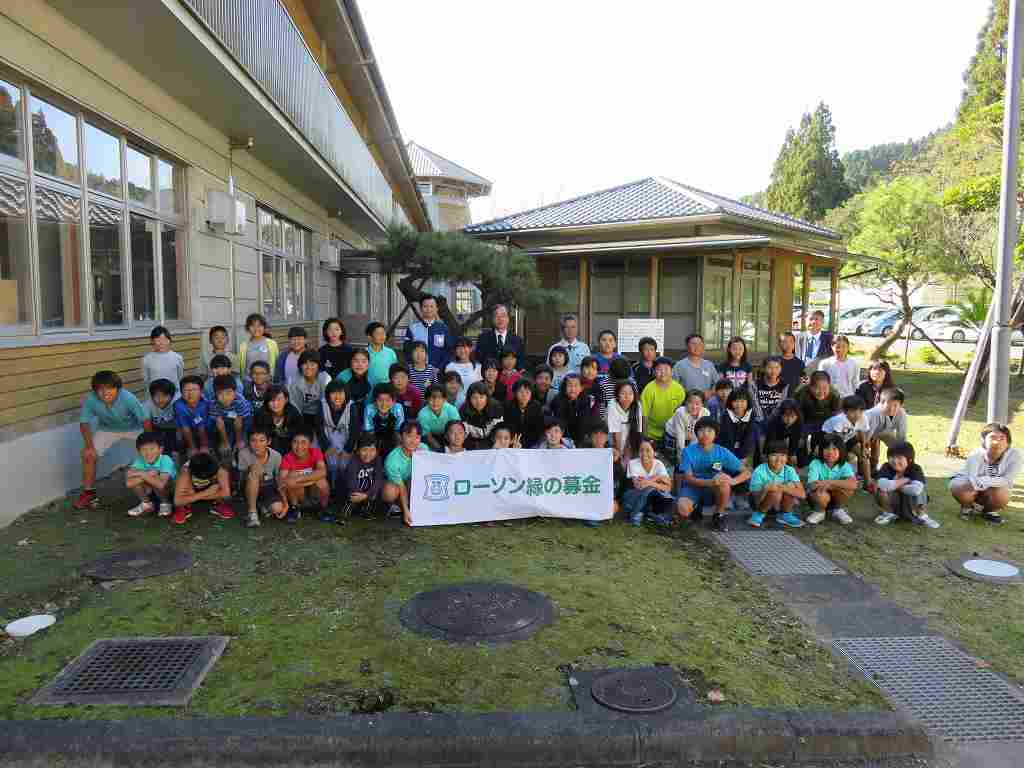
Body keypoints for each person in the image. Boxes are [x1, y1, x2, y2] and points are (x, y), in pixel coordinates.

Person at [676, 417, 751, 532]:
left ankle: (718, 515)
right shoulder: (688, 451)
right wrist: (709, 482)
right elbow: (688, 477)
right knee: (682, 509)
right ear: (696, 433)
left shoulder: (722, 452)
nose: (705, 434)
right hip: (693, 487)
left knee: (724, 482)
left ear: (715, 435)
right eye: (701, 431)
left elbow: (746, 472)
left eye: (709, 431)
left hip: (714, 489)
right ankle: (695, 507)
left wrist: (732, 481)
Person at [949, 422, 1022, 524]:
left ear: (1008, 442)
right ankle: (967, 508)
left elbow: (1007, 479)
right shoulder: (975, 454)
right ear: (983, 441)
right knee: (961, 486)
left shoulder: (1016, 455)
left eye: (1002, 438)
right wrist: (988, 483)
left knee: (1002, 492)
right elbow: (973, 480)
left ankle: (990, 511)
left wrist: (986, 481)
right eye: (993, 437)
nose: (997, 442)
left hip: (991, 486)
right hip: (970, 484)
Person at [875, 442, 939, 528]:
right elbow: (883, 485)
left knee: (921, 490)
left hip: (910, 501)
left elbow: (915, 490)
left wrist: (894, 485)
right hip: (893, 500)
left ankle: (922, 515)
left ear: (909, 460)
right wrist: (906, 480)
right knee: (881, 490)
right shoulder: (886, 467)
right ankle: (888, 513)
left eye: (899, 458)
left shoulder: (915, 468)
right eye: (891, 457)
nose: (894, 461)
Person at [748, 440, 805, 528]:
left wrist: (782, 487)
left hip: (780, 505)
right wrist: (766, 489)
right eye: (774, 455)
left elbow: (802, 494)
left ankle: (785, 514)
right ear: (767, 457)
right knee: (774, 490)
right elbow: (755, 498)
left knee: (790, 486)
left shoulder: (789, 470)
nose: (779, 459)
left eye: (782, 455)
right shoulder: (759, 470)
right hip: (760, 503)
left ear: (787, 458)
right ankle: (759, 514)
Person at [237, 426, 286, 528]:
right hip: (248, 485)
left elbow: (279, 480)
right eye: (253, 441)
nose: (257, 445)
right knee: (255, 469)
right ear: (249, 442)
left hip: (268, 486)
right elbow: (241, 478)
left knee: (277, 508)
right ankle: (252, 514)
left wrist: (285, 503)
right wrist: (253, 468)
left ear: (268, 441)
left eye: (262, 440)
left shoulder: (276, 456)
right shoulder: (243, 453)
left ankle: (261, 505)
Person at [622, 437, 677, 526]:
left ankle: (647, 514)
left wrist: (650, 481)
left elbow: (668, 488)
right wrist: (658, 479)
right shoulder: (633, 463)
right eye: (641, 450)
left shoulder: (659, 464)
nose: (644, 454)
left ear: (654, 453)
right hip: (632, 497)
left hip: (650, 497)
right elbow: (638, 486)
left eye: (648, 450)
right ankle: (636, 514)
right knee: (649, 490)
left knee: (659, 494)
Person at [279, 429, 331, 523]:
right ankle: (295, 509)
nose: (299, 446)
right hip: (299, 497)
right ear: (291, 443)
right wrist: (285, 503)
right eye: (295, 442)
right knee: (291, 476)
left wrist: (299, 479)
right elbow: (283, 482)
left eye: (303, 442)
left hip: (313, 494)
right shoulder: (287, 457)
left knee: (322, 481)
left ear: (310, 444)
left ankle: (323, 509)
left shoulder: (315, 452)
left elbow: (322, 472)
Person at [805, 433, 857, 525]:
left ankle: (838, 510)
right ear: (821, 450)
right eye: (826, 448)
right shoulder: (815, 463)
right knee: (820, 493)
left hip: (836, 496)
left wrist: (829, 483)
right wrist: (837, 484)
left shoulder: (844, 465)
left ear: (841, 451)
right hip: (818, 497)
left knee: (848, 489)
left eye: (834, 449)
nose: (830, 452)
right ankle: (819, 512)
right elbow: (811, 485)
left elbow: (853, 484)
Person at [382, 421, 428, 525]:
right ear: (401, 436)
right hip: (398, 485)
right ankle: (394, 505)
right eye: (409, 436)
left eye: (417, 437)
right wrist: (406, 511)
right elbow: (401, 487)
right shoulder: (392, 459)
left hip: (411, 482)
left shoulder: (424, 449)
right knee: (390, 492)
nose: (413, 441)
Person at [823, 395, 872, 489]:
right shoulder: (839, 421)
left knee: (864, 456)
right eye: (853, 411)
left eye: (860, 411)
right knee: (842, 458)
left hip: (848, 437)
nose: (857, 415)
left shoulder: (863, 417)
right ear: (845, 412)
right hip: (830, 438)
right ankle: (839, 482)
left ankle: (868, 483)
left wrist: (863, 448)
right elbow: (836, 440)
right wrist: (843, 454)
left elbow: (861, 432)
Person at [172, 451, 232, 525]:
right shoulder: (186, 471)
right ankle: (184, 507)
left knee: (219, 485)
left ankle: (217, 504)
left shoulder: (220, 469)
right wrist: (205, 493)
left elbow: (226, 493)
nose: (214, 476)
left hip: (207, 491)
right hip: (195, 490)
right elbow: (177, 501)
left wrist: (193, 497)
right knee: (188, 490)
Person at [125, 431, 176, 518]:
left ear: (160, 449)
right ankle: (146, 504)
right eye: (144, 449)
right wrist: (146, 474)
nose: (148, 453)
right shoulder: (139, 460)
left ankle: (165, 503)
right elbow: (129, 483)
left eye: (152, 449)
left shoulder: (165, 459)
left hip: (170, 491)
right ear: (139, 451)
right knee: (142, 479)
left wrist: (142, 474)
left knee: (155, 478)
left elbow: (161, 485)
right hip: (152, 489)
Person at [640, 356, 685, 452]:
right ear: (654, 372)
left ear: (672, 371)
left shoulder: (679, 389)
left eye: (666, 369)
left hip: (673, 432)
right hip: (652, 433)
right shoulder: (649, 389)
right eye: (659, 369)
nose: (663, 372)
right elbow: (644, 415)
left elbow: (682, 413)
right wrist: (644, 437)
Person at [796, 370, 841, 464]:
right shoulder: (801, 393)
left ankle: (819, 457)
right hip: (806, 419)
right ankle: (801, 459)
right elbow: (797, 411)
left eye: (825, 388)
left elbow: (836, 414)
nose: (821, 391)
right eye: (817, 388)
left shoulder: (835, 394)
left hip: (826, 419)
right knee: (800, 437)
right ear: (810, 387)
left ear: (829, 386)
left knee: (823, 439)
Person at [317, 380, 353, 493]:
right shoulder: (322, 404)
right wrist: (326, 447)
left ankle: (341, 490)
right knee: (331, 463)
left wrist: (347, 449)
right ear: (328, 395)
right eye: (334, 393)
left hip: (345, 436)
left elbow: (355, 431)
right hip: (326, 435)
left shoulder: (352, 406)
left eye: (341, 393)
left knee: (343, 464)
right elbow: (318, 428)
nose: (337, 397)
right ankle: (329, 488)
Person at [209, 374, 253, 463]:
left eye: (228, 393)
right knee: (224, 448)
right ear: (215, 393)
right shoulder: (213, 402)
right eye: (220, 393)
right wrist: (225, 442)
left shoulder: (240, 401)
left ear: (235, 392)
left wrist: (239, 440)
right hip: (226, 420)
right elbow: (219, 423)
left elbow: (238, 422)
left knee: (241, 445)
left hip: (243, 419)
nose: (225, 397)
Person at [864, 387, 909, 473]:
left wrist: (903, 452)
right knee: (863, 452)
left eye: (895, 405)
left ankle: (899, 469)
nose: (892, 408)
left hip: (884, 432)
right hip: (863, 434)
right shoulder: (873, 414)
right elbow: (865, 437)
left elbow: (902, 436)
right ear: (882, 402)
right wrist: (866, 446)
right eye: (888, 405)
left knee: (900, 447)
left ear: (901, 405)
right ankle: (863, 472)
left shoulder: (901, 413)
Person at [339, 434, 384, 518]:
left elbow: (378, 480)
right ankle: (344, 514)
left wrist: (366, 495)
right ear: (358, 450)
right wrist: (359, 495)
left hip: (368, 492)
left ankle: (366, 511)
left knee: (375, 493)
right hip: (355, 490)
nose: (368, 454)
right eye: (364, 450)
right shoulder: (353, 461)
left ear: (377, 451)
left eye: (372, 450)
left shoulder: (378, 460)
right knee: (352, 496)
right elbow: (351, 483)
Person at [404, 294, 452, 370]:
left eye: (431, 306)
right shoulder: (412, 328)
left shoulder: (443, 328)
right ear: (420, 308)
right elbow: (407, 351)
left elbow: (448, 351)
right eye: (425, 306)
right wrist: (414, 368)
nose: (428, 309)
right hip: (417, 372)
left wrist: (440, 367)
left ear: (436, 309)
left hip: (438, 372)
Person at [254, 385, 304, 457]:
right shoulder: (260, 414)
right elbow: (258, 435)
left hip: (290, 449)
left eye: (279, 399)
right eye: (272, 400)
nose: (275, 404)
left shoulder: (293, 413)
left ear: (286, 399)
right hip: (267, 449)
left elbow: (299, 434)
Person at [551, 373, 599, 446]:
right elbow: (560, 422)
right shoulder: (558, 400)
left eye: (576, 385)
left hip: (580, 437)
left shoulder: (586, 400)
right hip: (562, 438)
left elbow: (584, 422)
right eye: (569, 385)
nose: (573, 389)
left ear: (581, 388)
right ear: (564, 388)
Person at [665, 389, 710, 467]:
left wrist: (692, 455)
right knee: (674, 459)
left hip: (690, 434)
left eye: (697, 404)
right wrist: (681, 459)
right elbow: (680, 436)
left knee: (692, 455)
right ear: (685, 403)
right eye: (690, 403)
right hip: (674, 433)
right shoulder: (680, 413)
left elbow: (699, 434)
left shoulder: (706, 413)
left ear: (702, 404)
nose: (693, 407)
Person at [288, 350, 331, 430]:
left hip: (321, 414)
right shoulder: (294, 380)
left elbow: (327, 403)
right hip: (302, 414)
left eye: (312, 364)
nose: (308, 367)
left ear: (318, 366)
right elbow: (295, 405)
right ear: (300, 365)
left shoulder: (325, 379)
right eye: (305, 363)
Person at [716, 388, 758, 471]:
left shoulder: (752, 416)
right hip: (725, 449)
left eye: (742, 401)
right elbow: (726, 439)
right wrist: (731, 459)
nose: (739, 405)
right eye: (736, 401)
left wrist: (743, 456)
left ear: (747, 402)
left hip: (744, 450)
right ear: (731, 402)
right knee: (718, 469)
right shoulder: (726, 416)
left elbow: (749, 438)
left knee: (745, 470)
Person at [363, 383, 405, 458]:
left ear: (394, 401)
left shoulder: (398, 408)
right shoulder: (369, 409)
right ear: (375, 401)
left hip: (392, 436)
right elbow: (369, 433)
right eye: (380, 400)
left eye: (388, 400)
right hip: (375, 436)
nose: (384, 404)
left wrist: (398, 453)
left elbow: (399, 432)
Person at [173, 375, 212, 457]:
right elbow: (185, 427)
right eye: (186, 390)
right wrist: (192, 447)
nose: (190, 393)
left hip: (204, 429)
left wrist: (204, 446)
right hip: (186, 430)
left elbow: (202, 426)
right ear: (181, 392)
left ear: (201, 391)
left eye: (194, 389)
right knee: (180, 440)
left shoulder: (205, 403)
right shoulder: (178, 405)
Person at [672, 334, 718, 401]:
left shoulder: (709, 365)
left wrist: (710, 392)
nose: (697, 346)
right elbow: (673, 385)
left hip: (705, 405)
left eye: (699, 344)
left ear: (703, 346)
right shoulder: (679, 365)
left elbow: (717, 384)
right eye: (693, 344)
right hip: (687, 404)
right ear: (687, 346)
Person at [460, 381, 503, 449]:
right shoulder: (463, 410)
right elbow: (464, 434)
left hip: (493, 444)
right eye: (474, 397)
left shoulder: (496, 408)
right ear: (469, 399)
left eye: (481, 397)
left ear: (487, 397)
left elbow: (499, 430)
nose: (478, 401)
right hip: (472, 445)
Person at [608, 379, 642, 464]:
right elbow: (616, 433)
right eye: (623, 393)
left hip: (629, 440)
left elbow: (635, 431)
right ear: (617, 395)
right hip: (612, 441)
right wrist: (619, 454)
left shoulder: (637, 405)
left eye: (630, 393)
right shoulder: (612, 404)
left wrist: (627, 454)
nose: (627, 396)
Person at [503, 379, 545, 449]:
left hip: (532, 442)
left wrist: (524, 444)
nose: (524, 395)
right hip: (513, 442)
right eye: (521, 392)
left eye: (527, 392)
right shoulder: (508, 406)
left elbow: (538, 429)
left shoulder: (536, 407)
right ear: (515, 393)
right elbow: (508, 427)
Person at [141, 326, 184, 394]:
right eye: (158, 340)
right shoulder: (147, 359)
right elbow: (146, 380)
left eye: (164, 340)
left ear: (169, 341)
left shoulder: (177, 357)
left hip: (174, 395)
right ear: (152, 341)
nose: (161, 343)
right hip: (155, 396)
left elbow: (180, 376)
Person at [761, 399, 803, 469]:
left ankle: (795, 465)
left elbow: (795, 439)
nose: (789, 420)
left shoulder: (799, 419)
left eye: (792, 417)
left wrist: (792, 455)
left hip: (790, 430)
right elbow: (771, 441)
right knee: (774, 446)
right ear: (781, 415)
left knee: (797, 444)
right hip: (772, 430)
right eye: (786, 416)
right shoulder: (774, 420)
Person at [418, 384, 461, 451]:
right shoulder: (422, 414)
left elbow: (456, 429)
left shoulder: (452, 410)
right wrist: (440, 449)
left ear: (444, 399)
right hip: (432, 436)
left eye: (439, 398)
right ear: (426, 399)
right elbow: (428, 435)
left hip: (449, 434)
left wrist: (451, 446)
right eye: (432, 398)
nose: (435, 402)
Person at [144, 379, 179, 460]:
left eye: (165, 395)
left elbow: (181, 423)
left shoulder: (176, 404)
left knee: (174, 442)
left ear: (172, 396)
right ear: (151, 396)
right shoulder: (147, 406)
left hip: (172, 428)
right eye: (157, 396)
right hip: (155, 429)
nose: (160, 399)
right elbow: (147, 425)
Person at [238, 313, 279, 382]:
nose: (256, 328)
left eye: (259, 325)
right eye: (253, 326)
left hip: (267, 382)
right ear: (248, 328)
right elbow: (240, 367)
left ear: (264, 327)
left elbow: (277, 364)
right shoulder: (243, 346)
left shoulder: (272, 344)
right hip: (249, 382)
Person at [752, 356, 788, 422]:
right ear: (764, 368)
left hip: (776, 419)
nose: (773, 371)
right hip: (759, 419)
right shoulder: (755, 384)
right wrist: (761, 417)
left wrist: (772, 418)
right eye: (770, 367)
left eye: (777, 368)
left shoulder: (784, 385)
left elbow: (781, 404)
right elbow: (755, 402)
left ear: (781, 369)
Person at [365, 321, 399, 387]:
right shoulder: (364, 353)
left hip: (387, 389)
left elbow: (395, 372)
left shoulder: (390, 352)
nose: (382, 336)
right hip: (369, 389)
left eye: (383, 333)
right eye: (378, 334)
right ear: (369, 337)